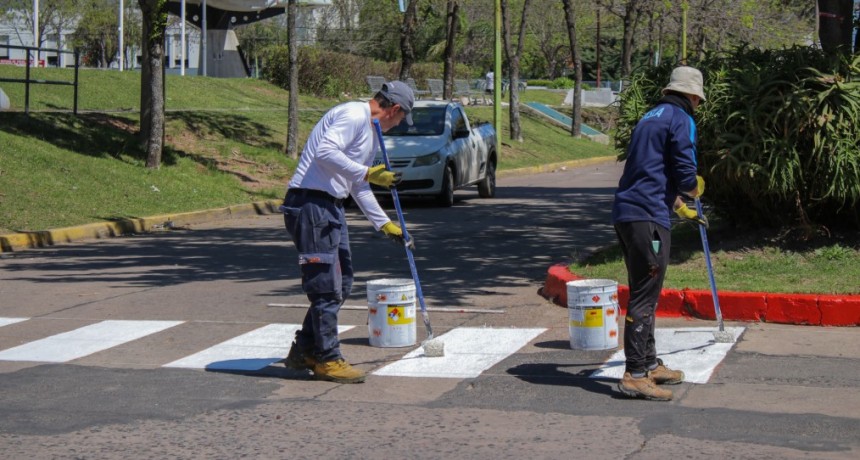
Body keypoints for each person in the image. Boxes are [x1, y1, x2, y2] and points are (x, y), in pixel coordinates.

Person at [280, 81, 415, 384]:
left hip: (329, 206)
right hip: (311, 202)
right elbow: (326, 152)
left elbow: (358, 185)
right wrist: (367, 171)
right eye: (401, 118)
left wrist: (384, 223)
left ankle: (306, 350)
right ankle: (328, 358)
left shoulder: (370, 131)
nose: (398, 125)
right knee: (326, 288)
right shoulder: (353, 114)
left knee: (342, 283)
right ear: (394, 109)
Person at [611, 66, 707, 401]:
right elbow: (683, 165)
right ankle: (636, 373)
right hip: (647, 217)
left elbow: (648, 168)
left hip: (629, 213)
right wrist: (693, 188)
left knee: (644, 288)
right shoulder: (681, 118)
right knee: (645, 293)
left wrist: (679, 206)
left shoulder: (650, 116)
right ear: (693, 95)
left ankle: (649, 363)